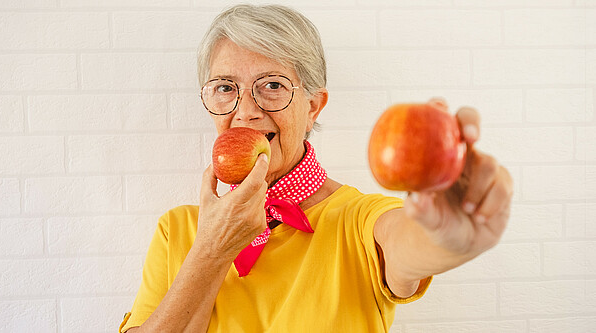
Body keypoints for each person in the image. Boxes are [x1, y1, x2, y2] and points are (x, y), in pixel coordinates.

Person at [119, 4, 513, 333]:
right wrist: (210, 251)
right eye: (225, 87)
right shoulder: (178, 232)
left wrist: (447, 234)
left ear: (312, 107)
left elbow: (408, 243)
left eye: (272, 85)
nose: (246, 111)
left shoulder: (357, 220)